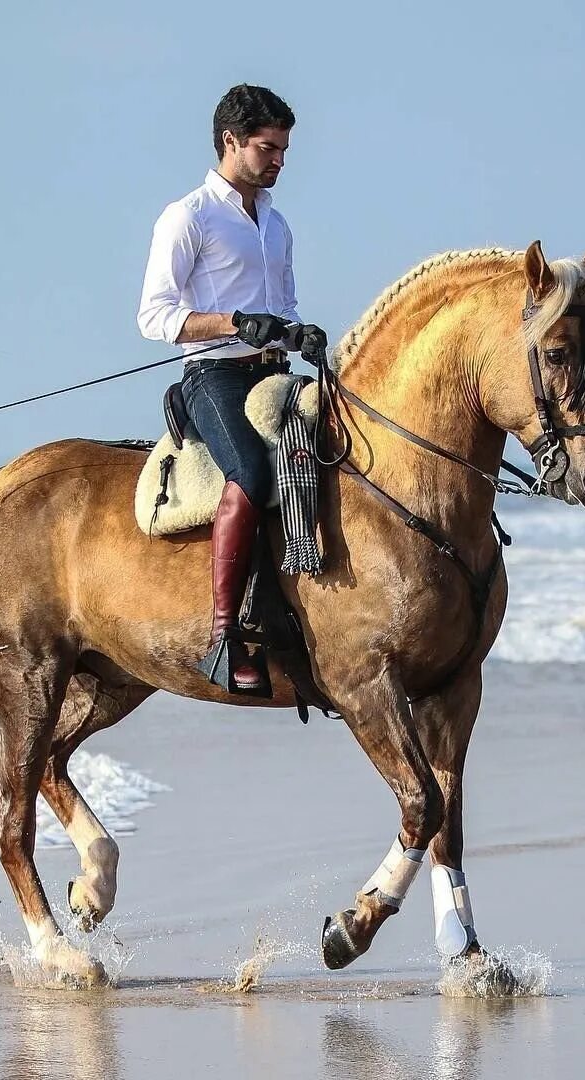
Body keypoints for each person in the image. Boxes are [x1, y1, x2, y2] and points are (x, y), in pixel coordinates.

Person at [137, 83, 327, 691]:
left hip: (273, 374)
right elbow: (153, 316)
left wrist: (301, 335)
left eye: (284, 150)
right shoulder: (188, 216)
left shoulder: (278, 223)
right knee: (249, 470)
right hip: (212, 376)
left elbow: (285, 305)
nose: (279, 161)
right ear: (231, 142)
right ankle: (224, 636)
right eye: (268, 148)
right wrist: (234, 324)